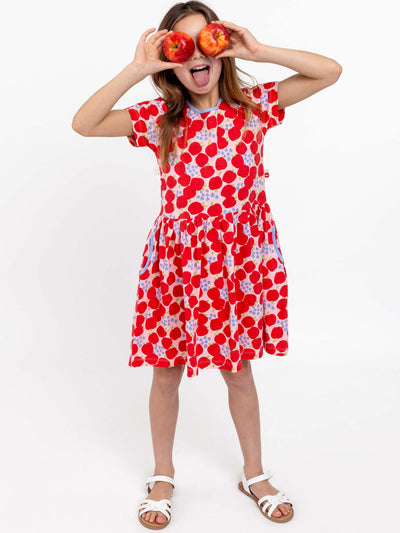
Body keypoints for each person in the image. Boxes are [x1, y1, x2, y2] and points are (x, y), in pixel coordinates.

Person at [72, 0, 342, 528]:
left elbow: (330, 71)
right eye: (182, 47)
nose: (197, 57)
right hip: (176, 266)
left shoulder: (253, 106)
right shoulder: (159, 119)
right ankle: (163, 473)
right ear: (170, 60)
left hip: (235, 266)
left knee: (238, 373)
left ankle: (254, 472)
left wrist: (259, 50)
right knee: (166, 373)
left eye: (207, 43)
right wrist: (137, 68)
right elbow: (84, 124)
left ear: (224, 49)